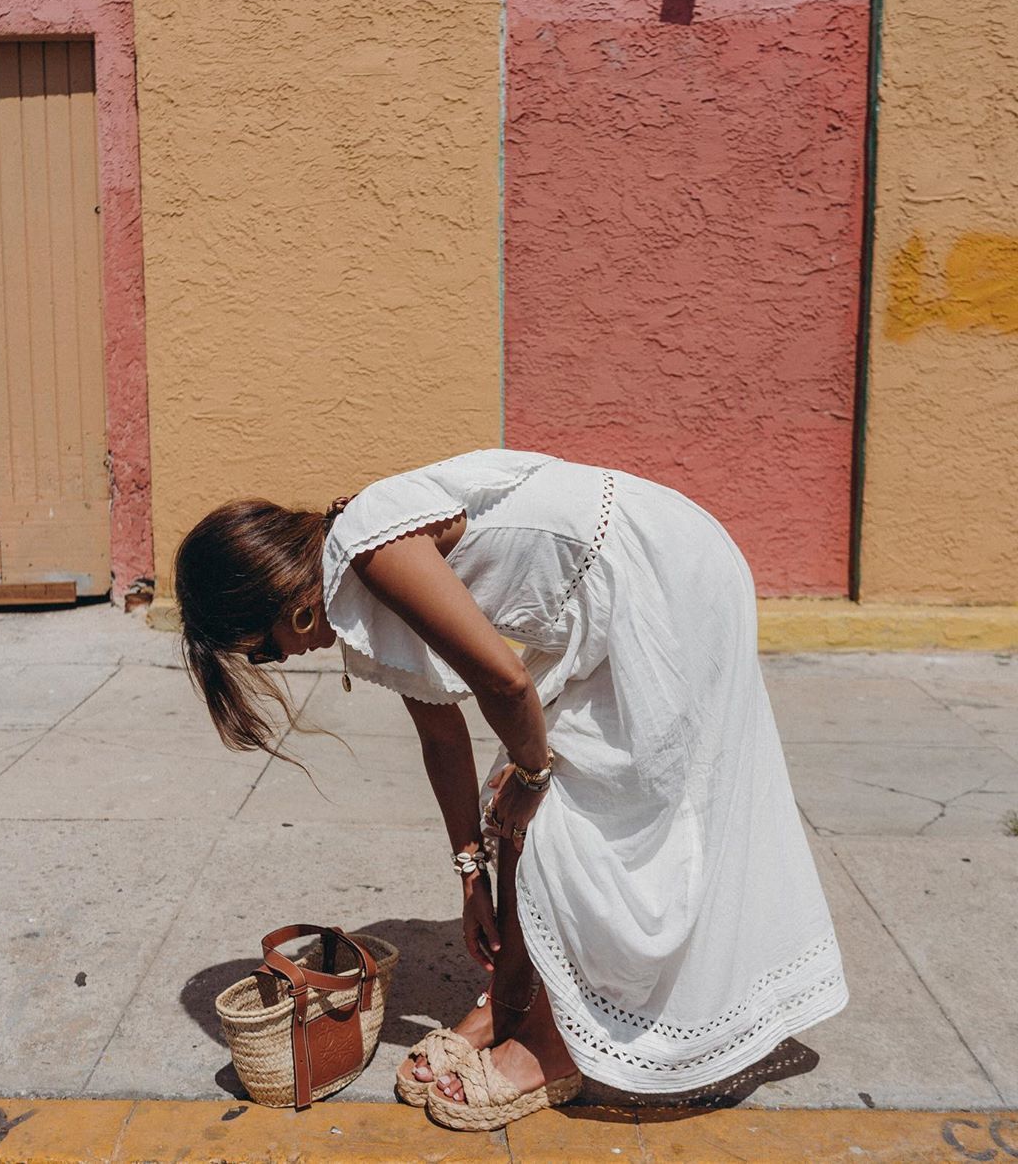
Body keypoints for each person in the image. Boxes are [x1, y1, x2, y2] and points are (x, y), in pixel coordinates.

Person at [175, 447, 848, 1131]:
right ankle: (510, 1000)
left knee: (569, 811)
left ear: (286, 610)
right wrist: (470, 870)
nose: (279, 662)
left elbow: (505, 681)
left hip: (667, 579)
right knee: (512, 803)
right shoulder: (359, 580)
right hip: (602, 600)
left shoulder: (370, 549)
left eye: (260, 651)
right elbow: (441, 735)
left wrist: (534, 776)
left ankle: (551, 1047)